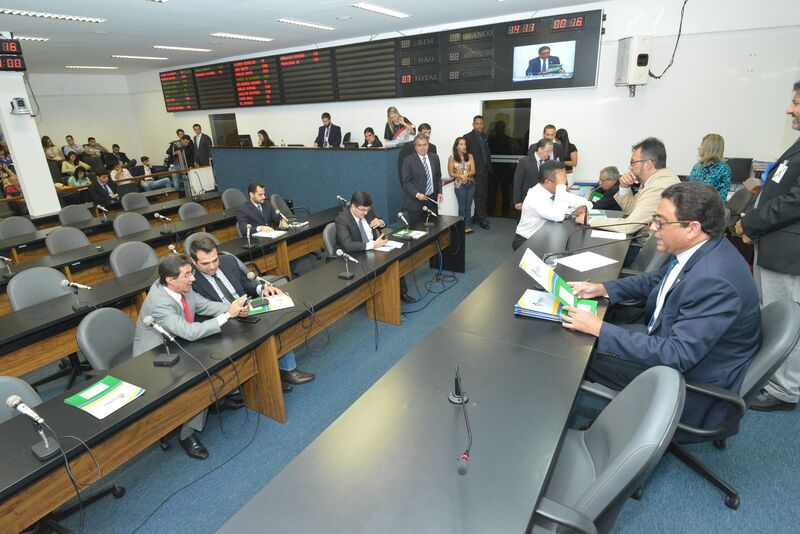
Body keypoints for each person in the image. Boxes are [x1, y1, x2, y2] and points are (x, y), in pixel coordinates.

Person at [563, 182, 762, 437]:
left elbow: (676, 355)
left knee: (577, 354)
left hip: (688, 377)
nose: (652, 227)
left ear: (692, 228)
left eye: (660, 222)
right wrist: (602, 288)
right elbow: (655, 280)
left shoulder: (713, 280)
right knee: (588, 337)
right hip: (671, 341)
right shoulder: (705, 249)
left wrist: (599, 328)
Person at [132, 254, 249, 459]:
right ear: (170, 280)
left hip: (178, 343)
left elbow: (204, 305)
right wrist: (228, 315)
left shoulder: (181, 286)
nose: (193, 278)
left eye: (191, 273)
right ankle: (187, 435)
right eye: (187, 275)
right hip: (156, 357)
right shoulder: (159, 303)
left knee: (218, 354)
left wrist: (234, 308)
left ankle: (217, 399)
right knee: (198, 376)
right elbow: (189, 332)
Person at [736, 81, 800, 411]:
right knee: (771, 313)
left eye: (796, 103)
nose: (790, 109)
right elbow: (775, 191)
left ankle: (784, 390)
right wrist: (753, 219)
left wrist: (751, 224)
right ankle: (766, 375)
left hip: (789, 253)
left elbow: (794, 202)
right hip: (774, 244)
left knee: (789, 321)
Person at [188, 238, 315, 391]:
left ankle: (287, 370)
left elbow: (245, 282)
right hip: (224, 320)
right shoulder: (190, 280)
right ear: (194, 262)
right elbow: (203, 309)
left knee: (277, 321)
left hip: (248, 309)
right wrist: (230, 311)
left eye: (215, 260)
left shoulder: (228, 261)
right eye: (205, 263)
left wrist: (262, 289)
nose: (212, 266)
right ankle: (267, 378)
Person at [576, 137, 681, 251]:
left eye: (633, 162)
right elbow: (631, 210)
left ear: (647, 164)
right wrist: (624, 186)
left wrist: (589, 219)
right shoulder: (656, 179)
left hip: (648, 249)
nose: (630, 167)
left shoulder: (658, 187)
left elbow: (629, 226)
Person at [334, 192, 416, 303]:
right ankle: (377, 297)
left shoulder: (367, 210)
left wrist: (381, 222)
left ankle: (401, 292)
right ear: (353, 206)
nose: (366, 213)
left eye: (367, 209)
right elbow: (348, 245)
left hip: (372, 247)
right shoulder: (342, 219)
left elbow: (380, 222)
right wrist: (373, 245)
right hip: (354, 254)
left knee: (393, 259)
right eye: (362, 210)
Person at [512, 160, 592, 250]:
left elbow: (587, 203)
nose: (565, 182)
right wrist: (561, 187)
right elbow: (558, 216)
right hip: (527, 241)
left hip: (546, 236)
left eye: (564, 178)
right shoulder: (534, 197)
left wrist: (583, 208)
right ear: (547, 182)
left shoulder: (556, 192)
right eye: (561, 180)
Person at [401, 134, 443, 226]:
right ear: (415, 146)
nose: (422, 148)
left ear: (428, 145)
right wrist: (417, 194)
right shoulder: (408, 160)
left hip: (431, 201)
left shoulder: (434, 157)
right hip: (415, 203)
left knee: (434, 228)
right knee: (417, 230)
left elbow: (438, 177)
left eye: (425, 145)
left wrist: (440, 192)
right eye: (419, 145)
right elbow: (406, 182)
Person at [464, 115, 491, 229]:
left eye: (481, 123)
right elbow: (465, 156)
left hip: (485, 170)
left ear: (483, 124)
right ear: (473, 124)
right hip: (475, 172)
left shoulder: (484, 136)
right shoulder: (467, 137)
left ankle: (476, 216)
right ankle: (481, 219)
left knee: (483, 195)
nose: (479, 125)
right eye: (477, 123)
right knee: (479, 196)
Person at [688, 133, 732, 202]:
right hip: (693, 204)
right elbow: (690, 189)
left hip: (710, 207)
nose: (698, 148)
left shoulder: (723, 169)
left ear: (709, 148)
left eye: (702, 145)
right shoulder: (697, 166)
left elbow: (721, 199)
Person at [513, 138, 554, 210]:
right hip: (527, 199)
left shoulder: (549, 163)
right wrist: (517, 201)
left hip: (544, 201)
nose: (549, 154)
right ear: (540, 149)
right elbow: (518, 182)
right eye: (548, 151)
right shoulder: (524, 162)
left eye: (551, 151)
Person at [448, 136, 476, 234]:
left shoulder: (470, 156)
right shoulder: (452, 157)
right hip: (459, 185)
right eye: (461, 144)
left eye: (465, 144)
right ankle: (462, 227)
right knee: (462, 206)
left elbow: (473, 171)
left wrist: (466, 175)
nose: (464, 146)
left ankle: (468, 226)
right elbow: (451, 173)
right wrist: (460, 176)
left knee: (468, 206)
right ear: (457, 146)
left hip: (471, 184)